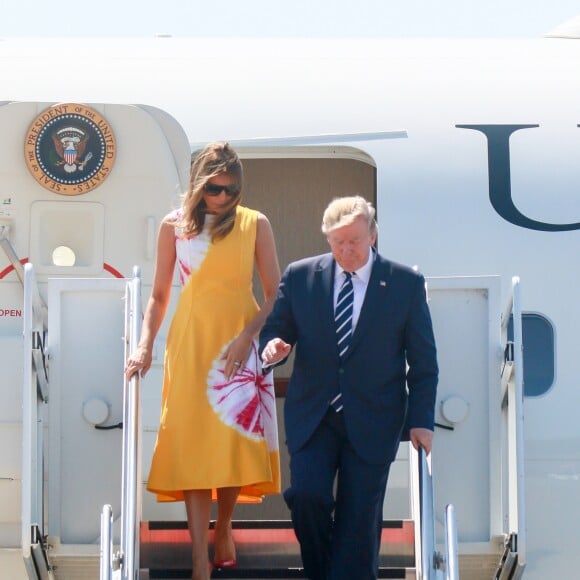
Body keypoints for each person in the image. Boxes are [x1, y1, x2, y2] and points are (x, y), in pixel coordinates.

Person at [259, 195, 438, 580]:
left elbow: (423, 363)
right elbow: (277, 330)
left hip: (375, 418)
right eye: (338, 242)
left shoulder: (405, 283)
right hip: (315, 416)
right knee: (307, 497)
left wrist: (422, 421)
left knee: (359, 515)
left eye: (354, 241)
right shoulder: (301, 276)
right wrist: (273, 348)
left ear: (373, 235)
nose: (346, 250)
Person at [125, 141, 281, 580]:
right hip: (191, 342)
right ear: (199, 185)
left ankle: (225, 526)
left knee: (230, 440)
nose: (225, 197)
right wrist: (144, 345)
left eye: (232, 189)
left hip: (239, 341)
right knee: (194, 443)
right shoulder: (174, 226)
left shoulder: (255, 224)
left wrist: (246, 339)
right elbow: (157, 296)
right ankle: (199, 558)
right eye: (215, 188)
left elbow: (275, 295)